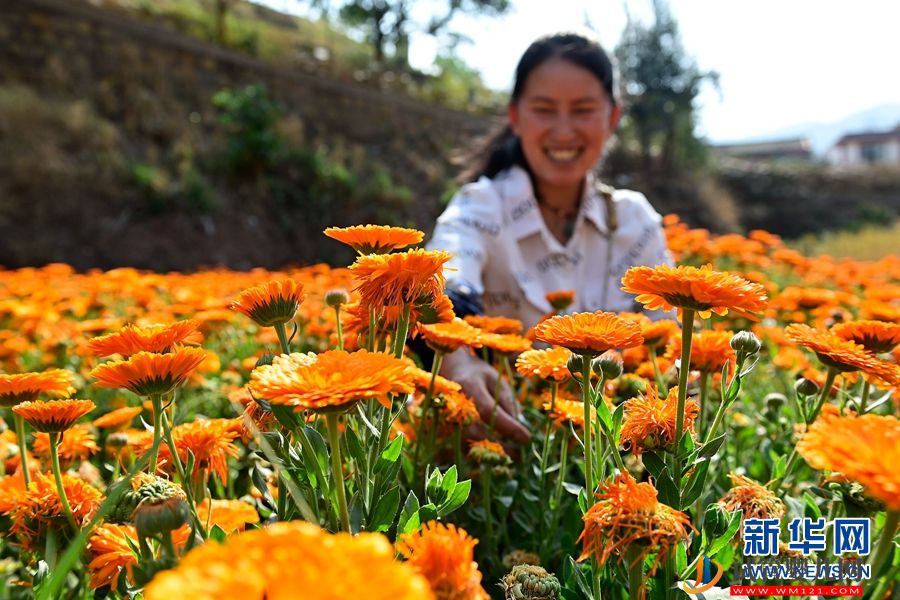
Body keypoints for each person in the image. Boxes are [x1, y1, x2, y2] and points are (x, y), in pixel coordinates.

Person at [425, 32, 673, 444]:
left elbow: (671, 342)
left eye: (583, 110)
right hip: (498, 446)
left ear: (612, 118)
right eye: (544, 110)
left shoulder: (634, 222)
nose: (563, 130)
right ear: (516, 117)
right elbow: (442, 280)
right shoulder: (479, 208)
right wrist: (456, 361)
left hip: (616, 449)